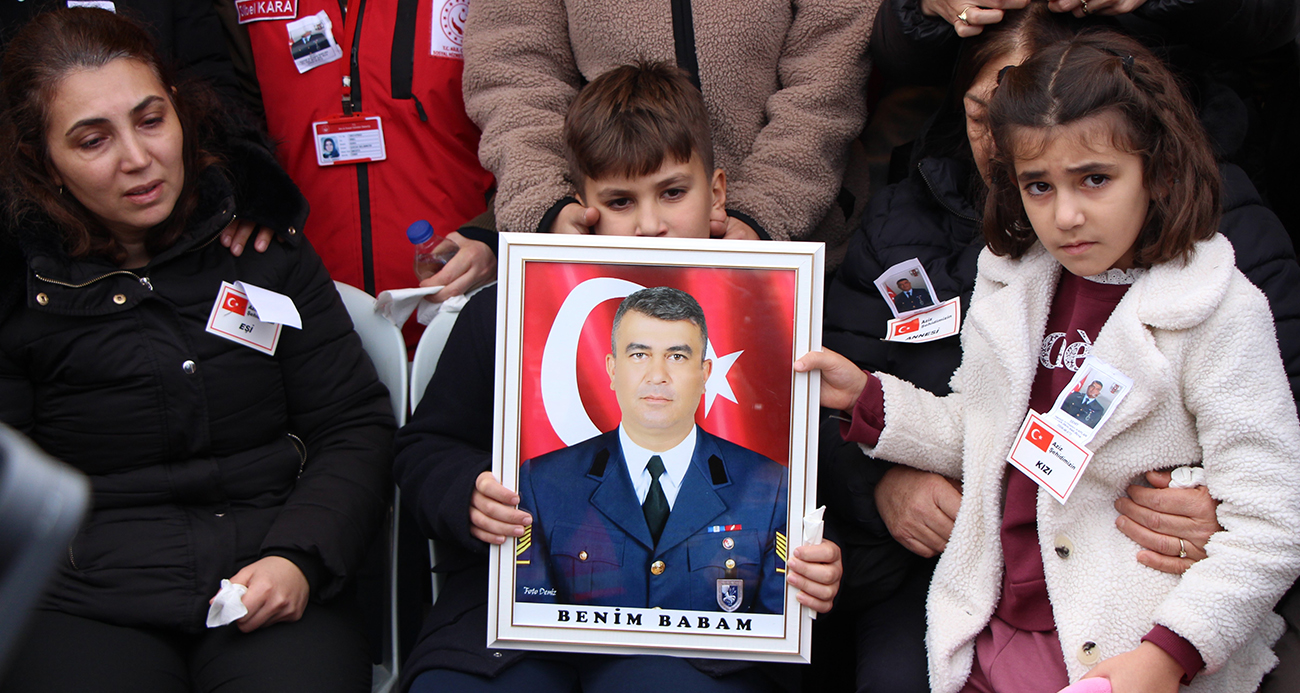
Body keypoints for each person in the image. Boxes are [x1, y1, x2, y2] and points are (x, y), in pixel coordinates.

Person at [800, 30, 1300, 693]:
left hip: (1130, 645)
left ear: (1160, 168)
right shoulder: (1016, 284)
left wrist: (1167, 655)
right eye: (1039, 185)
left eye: (1096, 178)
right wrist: (870, 398)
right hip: (994, 629)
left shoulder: (1218, 309)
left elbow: (1271, 526)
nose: (1066, 214)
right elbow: (984, 431)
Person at [395, 63, 841, 692]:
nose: (650, 224)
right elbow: (422, 450)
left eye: (672, 193)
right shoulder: (512, 306)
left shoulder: (780, 316)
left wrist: (817, 558)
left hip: (705, 632)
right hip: (512, 621)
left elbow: (816, 486)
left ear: (717, 194)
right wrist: (465, 493)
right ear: (584, 207)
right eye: (621, 202)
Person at [0, 9, 393, 692]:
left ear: (181, 113)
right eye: (93, 140)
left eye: (151, 120)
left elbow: (352, 424)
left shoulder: (262, 249)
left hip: (267, 578)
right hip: (84, 600)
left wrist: (298, 557)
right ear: (44, 164)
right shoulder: (20, 293)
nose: (137, 157)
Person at [460, 0, 875, 264]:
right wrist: (547, 206)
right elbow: (513, 72)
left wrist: (763, 215)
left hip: (798, 253)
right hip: (600, 254)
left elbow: (828, 80)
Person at [515, 287, 789, 613]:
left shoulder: (771, 487)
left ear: (705, 375)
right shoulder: (543, 482)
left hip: (716, 666)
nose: (657, 376)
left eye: (677, 356)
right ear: (613, 369)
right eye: (639, 355)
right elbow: (533, 619)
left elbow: (776, 629)